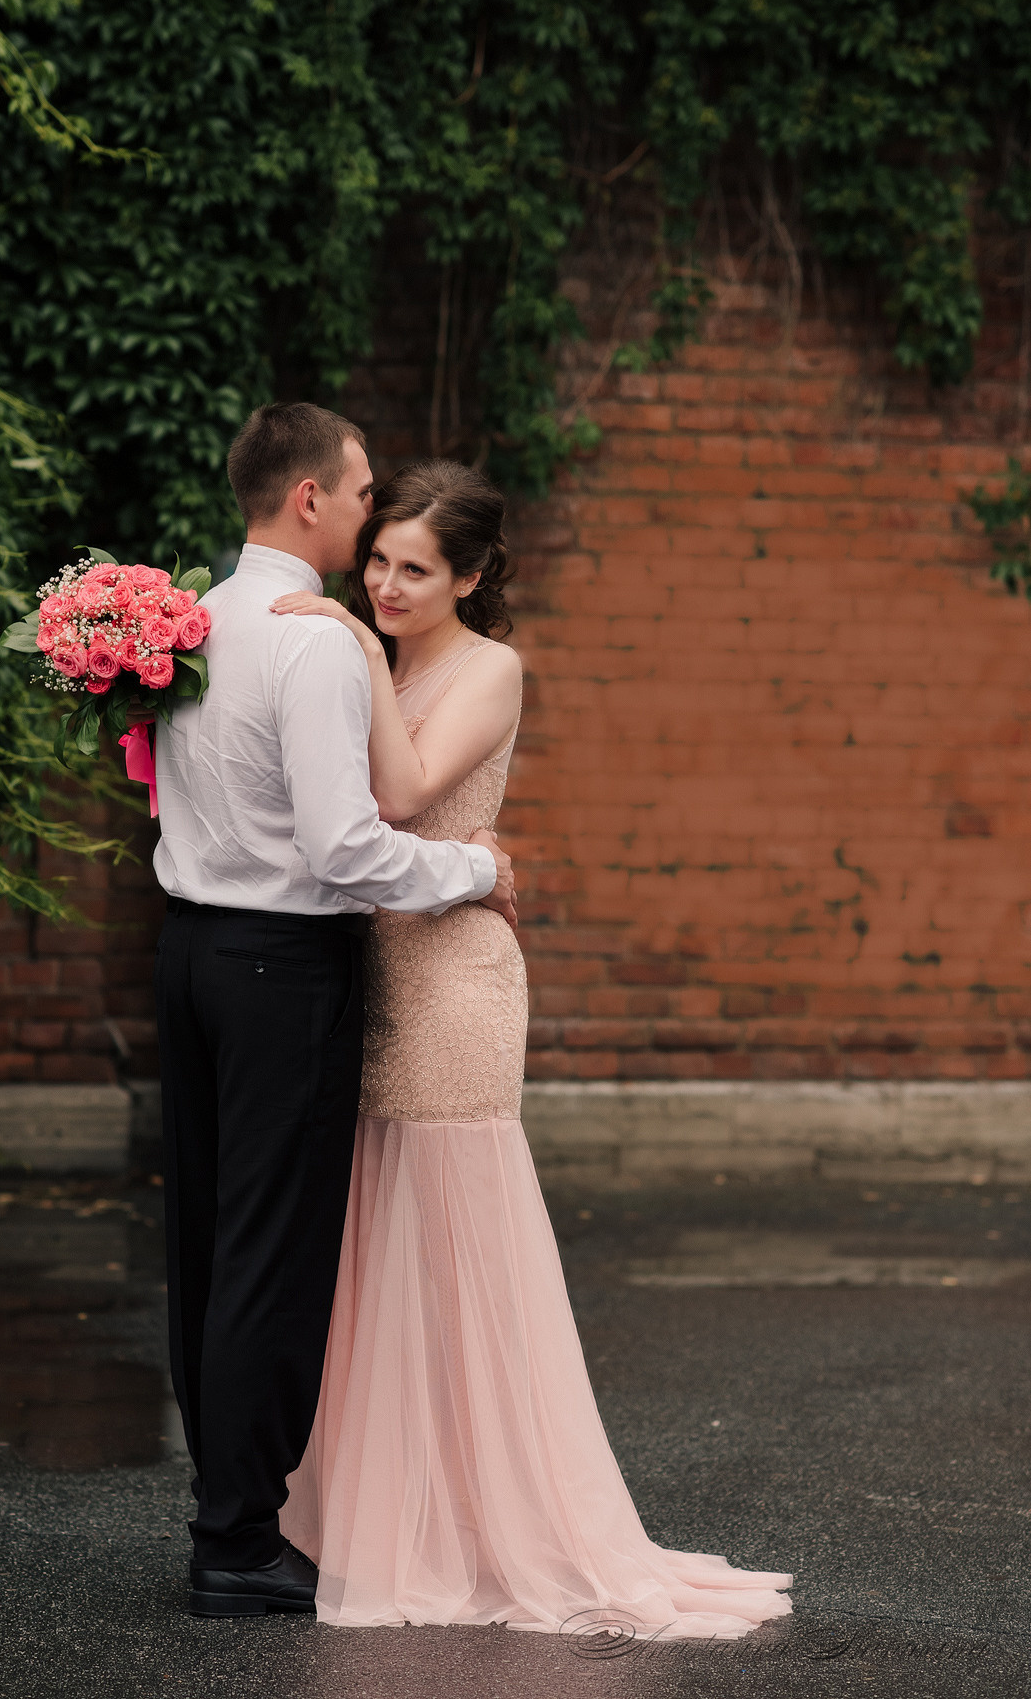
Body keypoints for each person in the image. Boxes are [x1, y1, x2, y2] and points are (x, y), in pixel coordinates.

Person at [270, 459, 794, 1637]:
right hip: (367, 968)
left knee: (450, 1232)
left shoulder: (486, 668)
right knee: (371, 1240)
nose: (389, 584)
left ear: (468, 577)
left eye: (416, 569)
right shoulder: (383, 649)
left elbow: (396, 798)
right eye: (381, 560)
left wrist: (353, 648)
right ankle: (372, 1515)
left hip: (452, 975)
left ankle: (489, 1526)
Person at [151, 405, 516, 1619]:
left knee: (205, 1241)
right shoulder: (312, 647)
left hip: (190, 952)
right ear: (308, 498)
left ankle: (228, 1512)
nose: (370, 518)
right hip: (277, 967)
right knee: (268, 1252)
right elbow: (348, 849)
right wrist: (475, 872)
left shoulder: (192, 620)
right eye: (362, 496)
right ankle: (240, 1540)